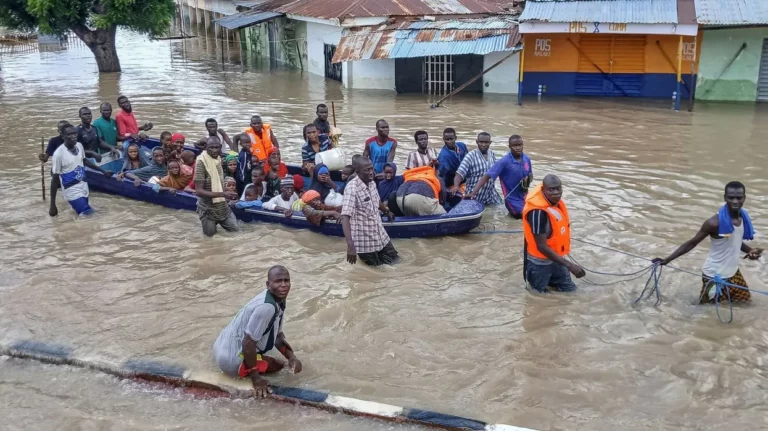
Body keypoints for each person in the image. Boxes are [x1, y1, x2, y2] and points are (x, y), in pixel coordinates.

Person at [653, 182, 762, 304]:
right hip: (715, 276)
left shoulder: (743, 216)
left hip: (734, 273)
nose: (735, 201)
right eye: (731, 198)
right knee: (706, 311)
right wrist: (667, 260)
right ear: (725, 197)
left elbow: (734, 241)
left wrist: (750, 251)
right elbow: (692, 243)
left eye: (739, 198)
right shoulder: (714, 223)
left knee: (746, 304)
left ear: (744, 198)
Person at [213, 265, 302, 398]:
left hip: (220, 347)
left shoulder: (276, 300)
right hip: (231, 361)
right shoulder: (267, 307)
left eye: (286, 280)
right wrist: (256, 380)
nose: (284, 285)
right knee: (278, 366)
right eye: (278, 281)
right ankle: (245, 371)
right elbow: (248, 343)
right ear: (268, 284)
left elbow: (276, 336)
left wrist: (291, 357)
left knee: (285, 363)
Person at [522, 175, 585, 293]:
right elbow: (541, 246)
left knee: (570, 291)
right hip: (539, 264)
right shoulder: (537, 212)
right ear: (543, 190)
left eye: (558, 189)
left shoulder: (555, 203)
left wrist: (565, 263)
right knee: (537, 297)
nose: (556, 193)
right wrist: (570, 266)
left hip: (557, 259)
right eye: (551, 190)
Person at [342, 158, 398, 266]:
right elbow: (345, 217)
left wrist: (387, 211)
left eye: (371, 169)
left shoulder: (372, 183)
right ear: (357, 172)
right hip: (365, 243)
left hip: (380, 235)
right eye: (367, 170)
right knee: (375, 273)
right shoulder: (352, 189)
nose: (371, 172)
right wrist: (350, 246)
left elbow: (377, 201)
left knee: (396, 262)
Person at [49, 125, 113, 217]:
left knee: (83, 215)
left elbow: (85, 161)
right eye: (69, 134)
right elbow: (54, 180)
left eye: (75, 133)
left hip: (83, 185)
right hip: (71, 190)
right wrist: (52, 205)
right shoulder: (58, 154)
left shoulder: (79, 146)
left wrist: (103, 171)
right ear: (63, 136)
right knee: (89, 215)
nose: (73, 136)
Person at [466, 135, 533, 218]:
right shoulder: (504, 161)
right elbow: (486, 176)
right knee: (524, 216)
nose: (518, 148)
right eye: (515, 146)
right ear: (510, 147)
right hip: (511, 200)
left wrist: (527, 181)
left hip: (525, 196)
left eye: (520, 145)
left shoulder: (527, 159)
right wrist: (473, 193)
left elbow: (530, 175)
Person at [194, 136, 240, 237]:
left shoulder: (218, 159)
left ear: (220, 147)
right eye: (211, 147)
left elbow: (218, 183)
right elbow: (198, 191)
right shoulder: (201, 163)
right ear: (206, 147)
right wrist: (223, 194)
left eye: (217, 147)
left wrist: (228, 194)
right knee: (210, 239)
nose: (215, 150)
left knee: (237, 232)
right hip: (208, 209)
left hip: (223, 206)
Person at [450, 132, 501, 206]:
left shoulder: (492, 154)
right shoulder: (470, 156)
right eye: (481, 142)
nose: (483, 145)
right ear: (477, 142)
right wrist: (456, 186)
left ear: (490, 143)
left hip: (491, 194)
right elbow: (459, 173)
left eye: (486, 142)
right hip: (474, 195)